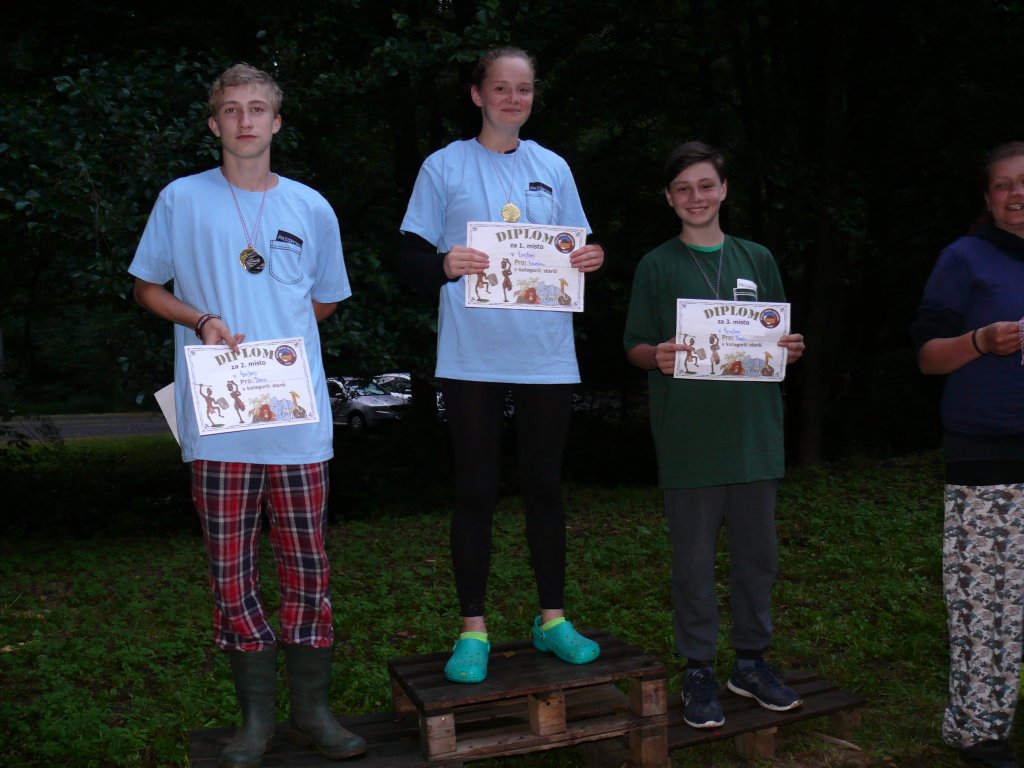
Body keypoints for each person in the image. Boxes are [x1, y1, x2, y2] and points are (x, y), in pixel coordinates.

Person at [128, 63, 365, 766]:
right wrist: (201, 319)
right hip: (218, 423)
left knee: (308, 568)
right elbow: (146, 287)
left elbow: (325, 298)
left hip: (297, 424)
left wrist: (277, 344)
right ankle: (256, 721)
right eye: (231, 110)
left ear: (277, 122)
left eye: (258, 108)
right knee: (231, 573)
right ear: (214, 124)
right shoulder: (182, 199)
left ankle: (313, 712)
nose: (245, 120)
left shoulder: (311, 207)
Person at [397, 47, 605, 683]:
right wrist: (443, 264)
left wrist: (591, 258)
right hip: (472, 356)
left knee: (544, 487)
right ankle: (473, 631)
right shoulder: (444, 165)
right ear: (477, 94)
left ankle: (553, 621)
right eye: (501, 88)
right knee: (475, 490)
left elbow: (579, 244)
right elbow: (408, 257)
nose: (513, 99)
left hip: (545, 355)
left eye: (524, 89)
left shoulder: (553, 167)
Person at [622, 141, 806, 729]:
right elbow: (634, 345)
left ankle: (750, 662)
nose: (695, 197)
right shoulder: (657, 265)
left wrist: (789, 347)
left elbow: (777, 335)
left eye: (706, 185)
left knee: (758, 559)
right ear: (668, 198)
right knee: (693, 565)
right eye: (683, 189)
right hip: (689, 441)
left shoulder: (758, 257)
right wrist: (657, 356)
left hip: (754, 438)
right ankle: (698, 667)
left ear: (724, 190)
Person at [912, 141, 1024, 768]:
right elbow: (928, 358)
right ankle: (980, 732)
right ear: (988, 198)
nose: (1017, 193)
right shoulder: (965, 258)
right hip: (988, 455)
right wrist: (981, 340)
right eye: (1003, 184)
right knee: (989, 606)